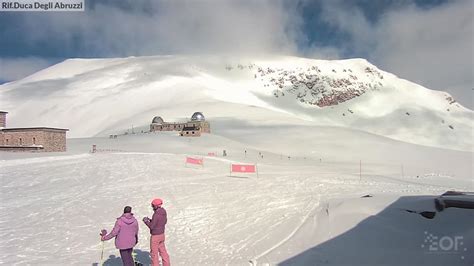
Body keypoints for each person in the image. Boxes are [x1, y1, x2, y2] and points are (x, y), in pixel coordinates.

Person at [143, 198, 170, 266]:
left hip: (155, 236)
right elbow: (162, 222)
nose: (152, 207)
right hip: (162, 235)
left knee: (154, 253)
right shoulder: (163, 212)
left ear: (156, 206)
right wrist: (151, 220)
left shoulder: (156, 214)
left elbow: (152, 226)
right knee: (163, 251)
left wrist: (146, 221)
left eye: (152, 205)